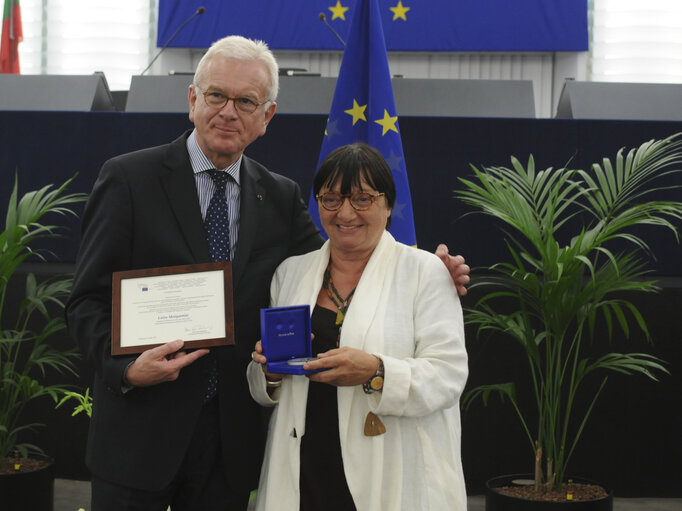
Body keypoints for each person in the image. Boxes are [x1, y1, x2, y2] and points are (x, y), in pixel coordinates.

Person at [66, 35, 469, 511]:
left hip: (231, 443)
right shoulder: (129, 179)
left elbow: (341, 251)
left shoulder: (278, 196)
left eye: (246, 101)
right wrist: (127, 369)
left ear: (266, 117)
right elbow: (86, 301)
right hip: (139, 437)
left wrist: (421, 267)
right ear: (193, 99)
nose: (228, 112)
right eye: (216, 95)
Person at [248, 143, 468, 511]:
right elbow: (267, 385)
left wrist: (377, 371)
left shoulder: (424, 272)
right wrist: (267, 372)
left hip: (390, 467)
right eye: (331, 199)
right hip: (304, 466)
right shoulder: (290, 273)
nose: (345, 212)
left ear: (388, 205)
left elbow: (448, 375)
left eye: (363, 199)